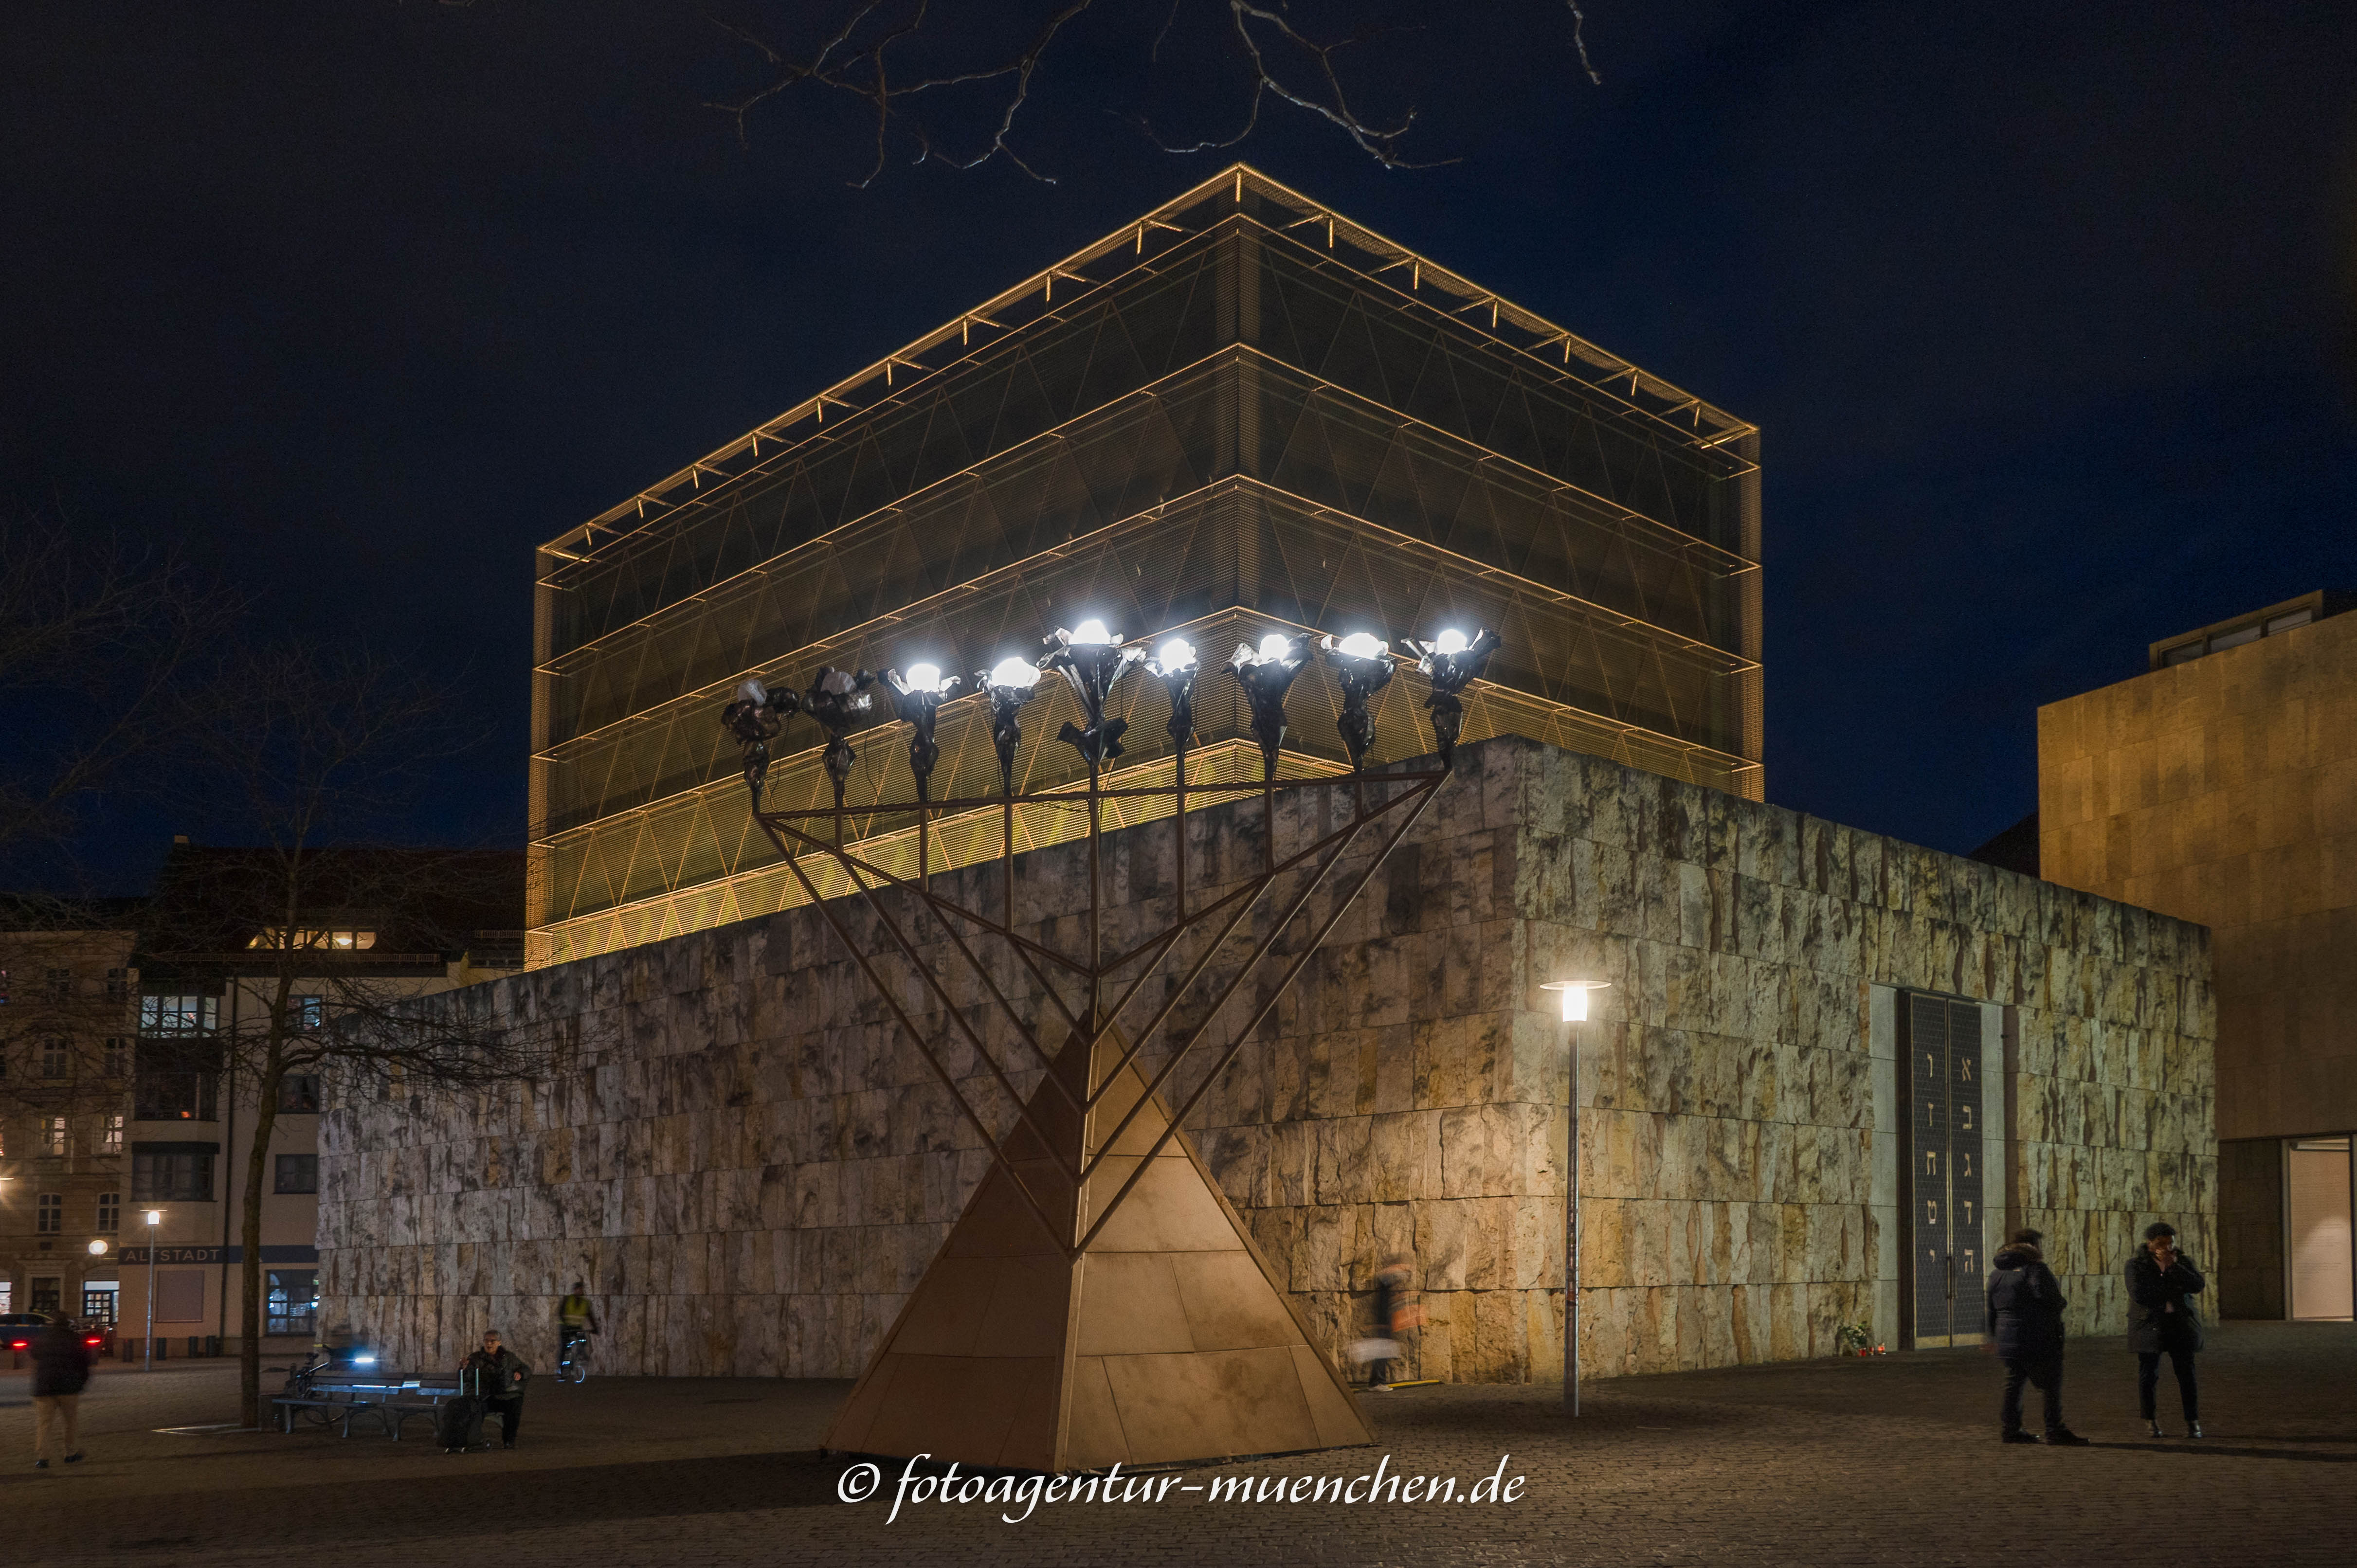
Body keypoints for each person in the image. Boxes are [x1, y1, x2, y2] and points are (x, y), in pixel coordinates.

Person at [1985, 1229, 2088, 1445]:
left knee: (2014, 1384)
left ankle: (2010, 1430)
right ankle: (2055, 1430)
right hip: (2037, 1337)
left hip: (2008, 1339)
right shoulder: (2035, 1269)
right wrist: (2060, 1305)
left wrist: (1993, 1337)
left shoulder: (1997, 1273)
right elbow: (2049, 1297)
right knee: (2051, 1385)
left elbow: (1992, 1309)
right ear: (2033, 1247)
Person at [2127, 1221, 2206, 1439]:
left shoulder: (2182, 1261)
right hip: (2149, 1325)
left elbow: (2198, 1285)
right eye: (2161, 1244)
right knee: (2149, 1375)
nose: (2167, 1248)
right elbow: (2140, 1294)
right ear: (2150, 1244)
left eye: (2170, 1243)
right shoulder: (2136, 1265)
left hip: (2179, 1324)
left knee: (2187, 1374)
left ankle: (2193, 1421)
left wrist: (2174, 1267)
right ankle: (2150, 1420)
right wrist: (2172, 1288)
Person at [30, 1314, 94, 1469]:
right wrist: (82, 1382)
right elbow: (84, 1363)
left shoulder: (44, 1337)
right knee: (70, 1422)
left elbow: (34, 1354)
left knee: (45, 1423)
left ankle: (43, 1458)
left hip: (45, 1387)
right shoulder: (75, 1339)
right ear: (68, 1324)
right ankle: (70, 1454)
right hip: (69, 1387)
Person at [460, 1330, 532, 1449]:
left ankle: (509, 1440)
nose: (489, 1344)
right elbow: (467, 1378)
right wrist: (464, 1368)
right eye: (486, 1341)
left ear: (499, 1343)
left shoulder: (509, 1357)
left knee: (515, 1404)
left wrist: (520, 1373)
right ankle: (472, 1439)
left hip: (505, 1396)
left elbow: (526, 1369)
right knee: (477, 1407)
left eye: (492, 1341)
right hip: (485, 1396)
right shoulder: (476, 1358)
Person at [556, 1281, 599, 1367]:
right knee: (565, 1346)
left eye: (581, 1289)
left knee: (583, 1341)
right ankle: (561, 1369)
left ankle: (580, 1355)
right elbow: (561, 1313)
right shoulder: (568, 1299)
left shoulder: (585, 1303)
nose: (580, 1291)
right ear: (575, 1290)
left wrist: (595, 1328)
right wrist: (565, 1325)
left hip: (577, 1327)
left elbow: (590, 1316)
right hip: (565, 1327)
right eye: (578, 1289)